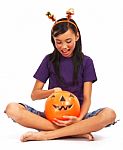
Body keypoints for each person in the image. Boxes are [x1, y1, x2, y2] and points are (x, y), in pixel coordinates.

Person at [4, 8, 116, 142]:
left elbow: (87, 98)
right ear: (53, 40)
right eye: (58, 42)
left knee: (109, 114)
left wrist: (79, 119)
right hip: (51, 117)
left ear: (77, 36)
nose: (64, 47)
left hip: (78, 117)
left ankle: (48, 134)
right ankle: (77, 132)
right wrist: (52, 91)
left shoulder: (87, 62)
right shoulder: (49, 60)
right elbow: (34, 95)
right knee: (12, 109)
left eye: (68, 41)